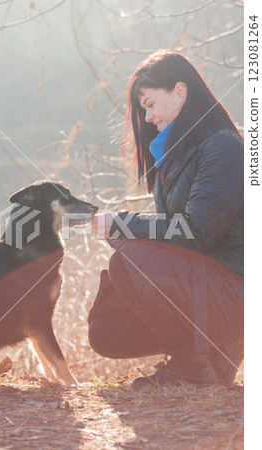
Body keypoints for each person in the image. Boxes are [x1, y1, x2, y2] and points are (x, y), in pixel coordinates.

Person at [89, 50, 244, 388]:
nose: (147, 117)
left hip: (239, 291)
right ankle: (207, 361)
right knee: (107, 331)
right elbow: (180, 234)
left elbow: (195, 233)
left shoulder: (222, 146)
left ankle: (193, 366)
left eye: (150, 104)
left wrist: (122, 223)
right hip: (216, 285)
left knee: (129, 261)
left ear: (180, 91)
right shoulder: (177, 156)